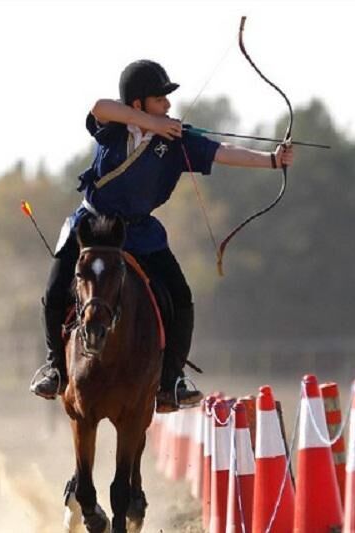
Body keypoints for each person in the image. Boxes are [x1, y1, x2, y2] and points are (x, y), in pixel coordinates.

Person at [31, 59, 294, 412]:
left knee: (181, 298)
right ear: (138, 104)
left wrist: (273, 161)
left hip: (139, 233)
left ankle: (171, 380)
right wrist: (150, 123)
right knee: (54, 289)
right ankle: (56, 368)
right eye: (160, 99)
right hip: (94, 227)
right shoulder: (114, 129)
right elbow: (99, 107)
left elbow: (222, 152)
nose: (168, 106)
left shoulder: (175, 142)